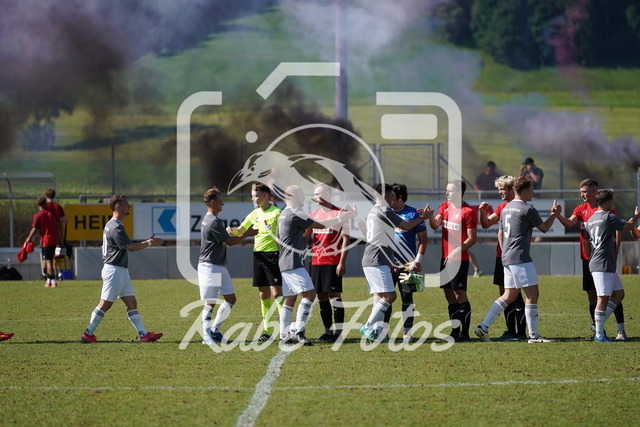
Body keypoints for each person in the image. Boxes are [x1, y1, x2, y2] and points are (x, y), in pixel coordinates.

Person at [474, 176, 561, 343]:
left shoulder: (506, 208)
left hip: (506, 257)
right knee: (532, 294)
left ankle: (483, 326)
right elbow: (544, 228)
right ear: (526, 191)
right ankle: (534, 336)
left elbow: (500, 234)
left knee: (509, 295)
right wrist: (554, 215)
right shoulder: (528, 209)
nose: (533, 193)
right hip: (521, 258)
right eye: (532, 189)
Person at [277, 185, 354, 346]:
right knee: (310, 294)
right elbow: (322, 225)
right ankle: (298, 331)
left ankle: (284, 335)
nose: (305, 198)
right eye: (301, 195)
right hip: (294, 262)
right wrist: (343, 216)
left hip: (286, 261)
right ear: (293, 196)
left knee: (290, 299)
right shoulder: (295, 213)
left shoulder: (283, 213)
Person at [80, 195, 164, 343]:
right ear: (118, 206)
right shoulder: (115, 226)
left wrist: (147, 242)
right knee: (105, 304)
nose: (129, 206)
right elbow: (131, 247)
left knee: (131, 302)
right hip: (114, 270)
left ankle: (143, 334)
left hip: (120, 270)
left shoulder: (115, 225)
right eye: (126, 204)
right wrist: (150, 242)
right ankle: (88, 333)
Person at [556, 178, 626, 340]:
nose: (581, 195)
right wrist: (558, 216)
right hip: (588, 258)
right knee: (592, 294)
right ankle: (599, 330)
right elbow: (569, 223)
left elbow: (618, 230)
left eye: (584, 192)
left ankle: (620, 329)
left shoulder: (606, 208)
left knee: (611, 293)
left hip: (605, 258)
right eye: (580, 192)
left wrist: (616, 250)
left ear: (594, 191)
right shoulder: (581, 209)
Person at [359, 183, 429, 342]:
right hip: (377, 259)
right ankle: (369, 326)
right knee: (390, 296)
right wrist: (423, 217)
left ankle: (377, 332)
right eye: (391, 195)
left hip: (383, 260)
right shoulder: (385, 211)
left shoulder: (374, 210)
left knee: (382, 295)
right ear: (385, 195)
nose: (393, 198)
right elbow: (406, 226)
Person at [198, 187, 257, 345]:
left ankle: (214, 330)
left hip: (219, 265)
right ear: (213, 202)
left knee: (230, 299)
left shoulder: (213, 220)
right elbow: (230, 242)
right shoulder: (213, 221)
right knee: (210, 303)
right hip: (209, 266)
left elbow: (224, 238)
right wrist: (248, 233)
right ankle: (206, 337)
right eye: (220, 200)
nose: (223, 203)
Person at [227, 183, 283, 342]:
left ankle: (285, 330)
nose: (253, 198)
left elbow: (283, 234)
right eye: (252, 195)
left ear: (265, 196)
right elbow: (241, 230)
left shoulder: (277, 212)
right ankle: (268, 331)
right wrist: (232, 230)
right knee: (263, 294)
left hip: (273, 256)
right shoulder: (254, 213)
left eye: (256, 195)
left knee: (277, 293)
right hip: (258, 256)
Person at [426, 180, 477, 342]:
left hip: (459, 260)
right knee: (448, 294)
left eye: (450, 190)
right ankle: (455, 331)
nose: (446, 193)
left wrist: (456, 250)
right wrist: (429, 217)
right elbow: (435, 225)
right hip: (445, 258)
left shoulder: (468, 211)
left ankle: (465, 334)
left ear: (460, 192)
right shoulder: (444, 206)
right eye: (446, 190)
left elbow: (472, 238)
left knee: (459, 294)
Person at [584, 190, 639, 342]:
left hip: (602, 263)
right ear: (607, 202)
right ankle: (599, 335)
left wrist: (591, 257)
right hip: (603, 264)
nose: (614, 203)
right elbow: (630, 226)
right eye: (613, 201)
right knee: (602, 298)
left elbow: (586, 241)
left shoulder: (591, 219)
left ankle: (597, 325)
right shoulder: (608, 217)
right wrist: (637, 215)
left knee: (619, 294)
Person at [479, 175, 527, 340]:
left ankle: (521, 332)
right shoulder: (501, 207)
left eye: (502, 189)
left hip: (515, 257)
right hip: (501, 257)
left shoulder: (521, 206)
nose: (500, 192)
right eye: (498, 189)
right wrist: (482, 213)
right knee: (504, 293)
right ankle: (510, 330)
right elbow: (486, 224)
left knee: (516, 294)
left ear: (511, 189)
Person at [307, 183, 349, 343]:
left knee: (335, 296)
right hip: (316, 262)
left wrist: (342, 262)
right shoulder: (313, 214)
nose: (315, 197)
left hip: (332, 261)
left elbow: (346, 240)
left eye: (317, 194)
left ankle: (338, 333)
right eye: (314, 194)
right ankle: (327, 332)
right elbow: (305, 235)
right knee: (321, 296)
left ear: (327, 194)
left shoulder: (340, 214)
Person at [384, 183, 427, 342]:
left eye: (391, 196)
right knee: (386, 298)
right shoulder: (385, 213)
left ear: (400, 197)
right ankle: (383, 331)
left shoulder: (414, 214)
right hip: (388, 264)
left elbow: (423, 240)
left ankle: (407, 332)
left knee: (407, 298)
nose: (388, 198)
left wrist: (417, 261)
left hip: (407, 265)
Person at [24, 196, 60, 288]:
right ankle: (48, 280)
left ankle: (53, 280)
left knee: (48, 261)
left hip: (46, 240)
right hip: (54, 239)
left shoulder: (38, 215)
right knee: (48, 260)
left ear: (37, 205)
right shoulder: (52, 214)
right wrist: (60, 239)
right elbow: (57, 227)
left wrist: (29, 238)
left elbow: (34, 228)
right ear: (45, 203)